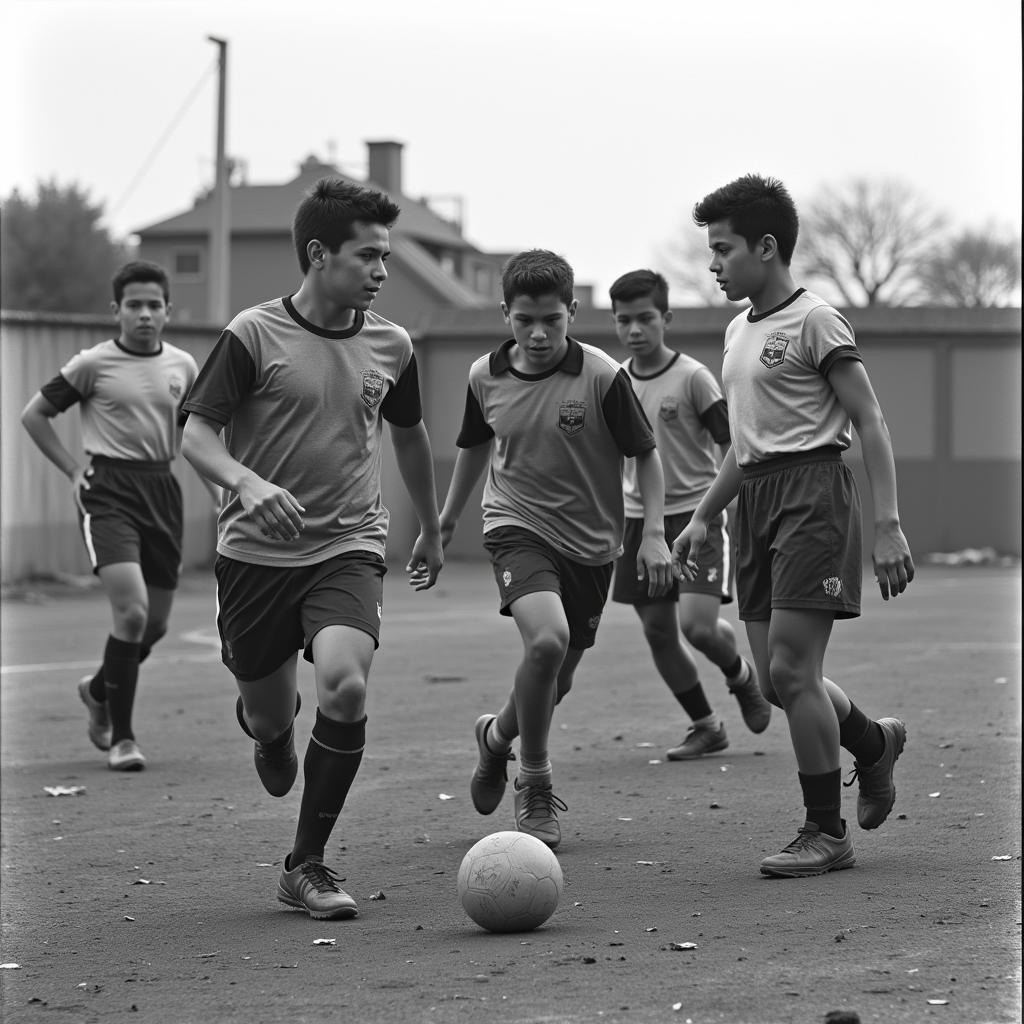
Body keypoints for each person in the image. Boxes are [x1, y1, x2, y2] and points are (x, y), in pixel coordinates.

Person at [180, 177, 444, 920]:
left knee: (348, 686)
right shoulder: (252, 334)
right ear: (320, 254)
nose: (382, 271)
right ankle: (268, 727)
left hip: (349, 546)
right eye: (369, 256)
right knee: (271, 721)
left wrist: (428, 522)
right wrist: (246, 482)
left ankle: (306, 864)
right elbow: (195, 433)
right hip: (255, 558)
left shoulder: (392, 343)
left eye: (387, 257)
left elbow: (411, 433)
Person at [673, 175, 915, 878]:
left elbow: (869, 420)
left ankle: (825, 831)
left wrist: (889, 523)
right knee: (779, 683)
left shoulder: (817, 321)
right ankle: (871, 744)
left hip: (813, 493)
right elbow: (745, 449)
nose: (713, 264)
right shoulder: (735, 330)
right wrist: (701, 519)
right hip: (755, 501)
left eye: (722, 250)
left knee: (789, 668)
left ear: (767, 247)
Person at [437, 249, 675, 849]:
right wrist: (444, 520)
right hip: (515, 525)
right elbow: (473, 447)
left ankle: (495, 739)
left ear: (572, 312)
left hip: (593, 545)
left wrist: (651, 533)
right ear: (505, 315)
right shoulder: (483, 375)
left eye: (552, 320)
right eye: (524, 321)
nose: (539, 334)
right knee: (546, 641)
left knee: (555, 677)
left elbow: (646, 455)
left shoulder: (601, 376)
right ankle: (534, 781)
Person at [21, 260, 216, 771]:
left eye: (154, 305)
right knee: (129, 613)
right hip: (107, 490)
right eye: (135, 305)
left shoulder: (184, 367)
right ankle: (122, 739)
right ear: (116, 311)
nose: (145, 314)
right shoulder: (92, 364)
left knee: (153, 626)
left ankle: (98, 690)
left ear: (168, 311)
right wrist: (70, 470)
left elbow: (196, 440)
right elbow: (34, 415)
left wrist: (222, 496)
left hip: (161, 490)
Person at [608, 269, 772, 760]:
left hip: (697, 517)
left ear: (666, 319)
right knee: (658, 630)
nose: (634, 330)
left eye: (644, 319)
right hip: (640, 524)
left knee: (697, 627)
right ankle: (706, 725)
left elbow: (735, 446)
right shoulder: (613, 381)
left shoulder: (695, 378)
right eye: (624, 321)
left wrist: (731, 509)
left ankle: (741, 676)